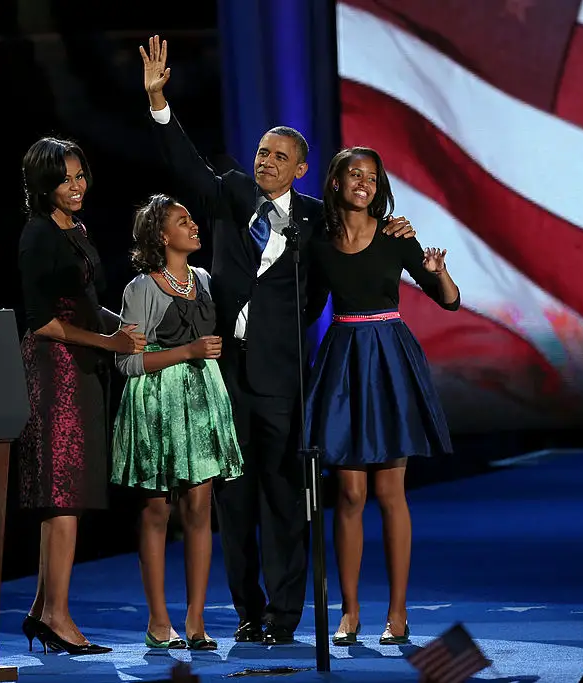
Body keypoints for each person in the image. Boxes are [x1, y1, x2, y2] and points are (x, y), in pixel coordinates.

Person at [138, 35, 416, 644]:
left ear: (301, 168)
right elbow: (186, 166)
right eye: (262, 152)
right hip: (225, 369)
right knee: (232, 499)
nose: (265, 161)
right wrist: (160, 103)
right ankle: (247, 609)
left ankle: (286, 617)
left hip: (287, 373)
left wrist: (394, 223)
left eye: (277, 156)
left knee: (286, 497)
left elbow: (360, 245)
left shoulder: (321, 217)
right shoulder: (232, 192)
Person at [304, 147, 460, 646]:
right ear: (335, 182)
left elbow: (450, 300)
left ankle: (398, 613)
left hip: (389, 359)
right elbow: (306, 307)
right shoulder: (319, 242)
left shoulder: (396, 236)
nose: (363, 182)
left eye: (372, 176)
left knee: (391, 493)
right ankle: (349, 612)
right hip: (344, 361)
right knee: (350, 493)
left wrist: (436, 268)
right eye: (354, 174)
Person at [16, 136, 146, 655]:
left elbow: (87, 305)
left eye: (80, 176)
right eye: (66, 179)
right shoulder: (36, 236)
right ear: (43, 185)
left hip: (86, 368)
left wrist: (130, 331)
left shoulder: (78, 230)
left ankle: (42, 609)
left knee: (69, 494)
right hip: (55, 373)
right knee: (61, 494)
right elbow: (42, 322)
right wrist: (110, 342)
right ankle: (57, 616)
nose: (77, 186)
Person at [112, 193, 244, 651]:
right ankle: (158, 620)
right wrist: (186, 352)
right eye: (181, 220)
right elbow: (127, 364)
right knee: (155, 512)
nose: (193, 225)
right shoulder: (141, 288)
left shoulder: (204, 280)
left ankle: (195, 620)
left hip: (203, 400)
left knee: (200, 511)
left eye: (191, 219)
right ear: (161, 236)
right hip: (156, 402)